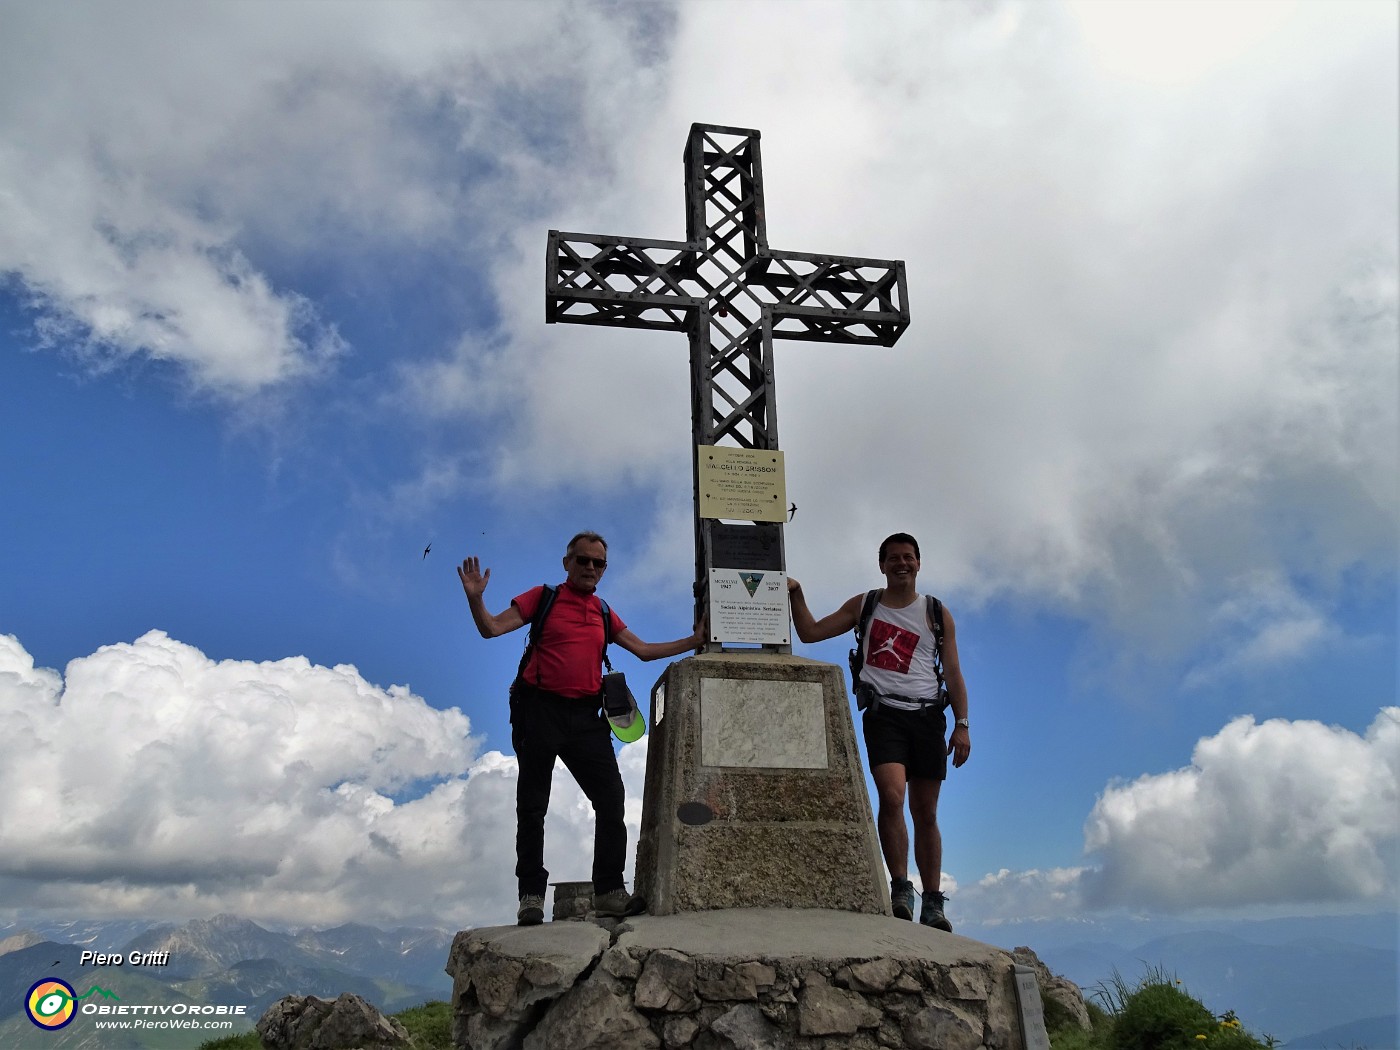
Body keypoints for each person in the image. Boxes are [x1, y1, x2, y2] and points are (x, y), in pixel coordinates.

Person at [457, 531, 704, 926]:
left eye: (598, 563)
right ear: (567, 562)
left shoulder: (603, 612)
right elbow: (490, 628)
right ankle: (531, 896)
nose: (590, 568)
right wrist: (475, 598)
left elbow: (642, 651)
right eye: (583, 560)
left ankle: (608, 892)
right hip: (538, 710)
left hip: (587, 718)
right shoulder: (544, 596)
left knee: (611, 799)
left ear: (604, 569)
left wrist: (695, 639)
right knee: (533, 805)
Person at [786, 532, 970, 932]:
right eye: (893, 558)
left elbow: (952, 672)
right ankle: (901, 886)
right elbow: (811, 632)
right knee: (892, 795)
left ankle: (933, 901)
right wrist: (796, 593)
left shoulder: (937, 613)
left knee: (926, 812)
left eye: (908, 557)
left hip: (927, 717)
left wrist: (962, 724)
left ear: (919, 563)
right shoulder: (866, 605)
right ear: (882, 565)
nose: (901, 564)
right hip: (884, 714)